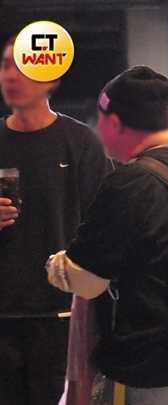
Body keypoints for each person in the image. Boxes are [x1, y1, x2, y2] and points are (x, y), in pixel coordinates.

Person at [45, 66, 168, 404]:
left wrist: (54, 266)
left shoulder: (127, 183)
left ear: (116, 124)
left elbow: (88, 281)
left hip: (153, 366)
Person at [0, 34, 110, 405]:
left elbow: (106, 228)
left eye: (21, 67)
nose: (10, 76)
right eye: (5, 66)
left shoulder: (81, 143)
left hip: (63, 317)